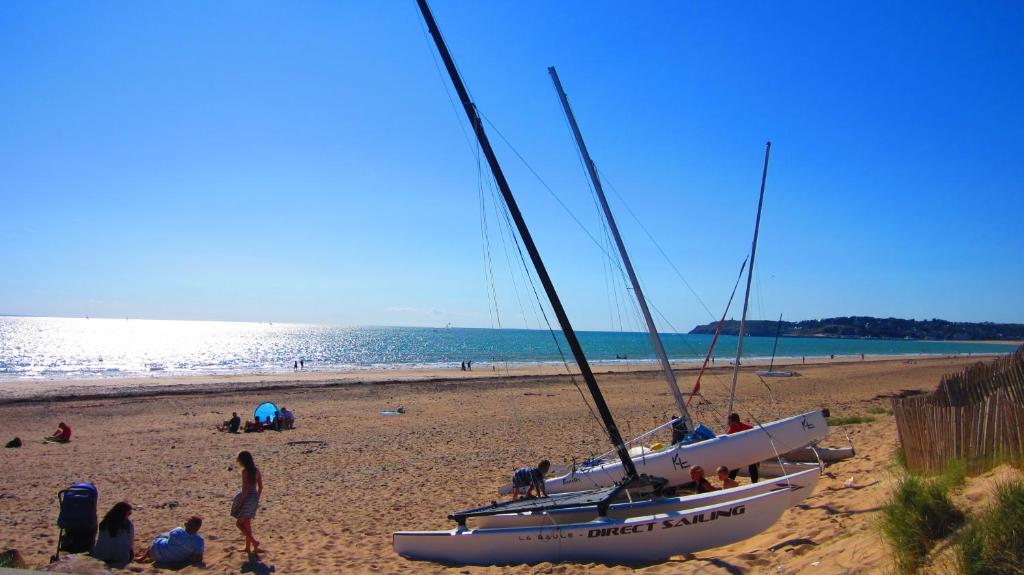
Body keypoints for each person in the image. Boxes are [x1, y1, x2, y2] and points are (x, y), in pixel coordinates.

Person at [136, 516, 204, 567]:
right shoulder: (199, 541)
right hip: (172, 560)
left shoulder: (178, 530)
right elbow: (199, 558)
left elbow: (170, 536)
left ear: (186, 525)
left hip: (155, 552)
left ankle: (143, 557)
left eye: (186, 523)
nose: (185, 523)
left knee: (160, 538)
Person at [231, 451, 263, 554]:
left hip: (248, 497)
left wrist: (240, 504)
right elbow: (261, 487)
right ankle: (248, 548)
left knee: (239, 524)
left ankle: (254, 542)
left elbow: (245, 490)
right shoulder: (257, 470)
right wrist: (256, 498)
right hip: (254, 498)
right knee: (247, 523)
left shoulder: (245, 472)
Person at [92, 502, 134, 567]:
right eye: (129, 513)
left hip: (100, 556)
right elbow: (130, 543)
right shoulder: (127, 525)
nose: (129, 515)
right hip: (120, 558)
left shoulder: (104, 522)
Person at [726, 413, 759, 483]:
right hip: (739, 452)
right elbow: (728, 444)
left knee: (753, 467)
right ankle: (729, 483)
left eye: (729, 422)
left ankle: (755, 483)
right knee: (735, 468)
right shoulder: (730, 431)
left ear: (735, 422)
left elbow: (755, 437)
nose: (728, 423)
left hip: (749, 451)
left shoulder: (748, 428)